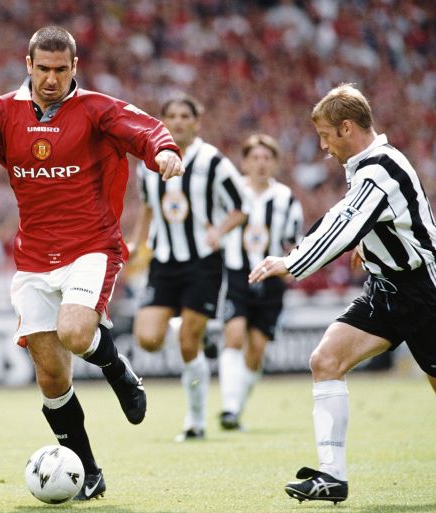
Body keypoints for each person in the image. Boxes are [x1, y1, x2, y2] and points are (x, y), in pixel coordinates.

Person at [0, 26, 183, 500]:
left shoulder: (96, 108)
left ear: (74, 68)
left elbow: (147, 129)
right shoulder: (1, 113)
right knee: (51, 375)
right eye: (42, 69)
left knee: (75, 333)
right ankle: (88, 470)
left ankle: (116, 369)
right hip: (32, 258)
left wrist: (165, 151)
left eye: (60, 69)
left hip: (91, 247)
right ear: (27, 65)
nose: (50, 78)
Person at [250, 83, 436, 504]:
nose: (322, 147)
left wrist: (290, 262)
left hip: (424, 291)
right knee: (325, 360)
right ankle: (332, 476)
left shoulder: (380, 167)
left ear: (347, 128)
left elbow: (343, 223)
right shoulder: (366, 167)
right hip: (386, 288)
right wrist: (367, 247)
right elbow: (355, 220)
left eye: (326, 136)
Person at [128, 92, 247, 442]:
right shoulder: (147, 162)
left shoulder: (213, 162)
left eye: (185, 116)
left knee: (186, 341)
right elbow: (148, 207)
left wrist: (219, 230)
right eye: (172, 116)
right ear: (162, 121)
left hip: (203, 263)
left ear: (197, 121)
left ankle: (195, 421)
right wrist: (137, 243)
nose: (178, 122)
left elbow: (241, 206)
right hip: (164, 262)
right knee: (147, 339)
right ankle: (188, 331)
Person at [218, 134, 303, 430]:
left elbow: (294, 241)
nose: (261, 163)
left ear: (275, 163)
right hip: (236, 275)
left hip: (271, 280)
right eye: (255, 158)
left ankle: (236, 408)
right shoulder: (230, 193)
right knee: (235, 334)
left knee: (256, 349)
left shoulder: (286, 198)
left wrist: (294, 265)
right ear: (244, 162)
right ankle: (229, 407)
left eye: (267, 158)